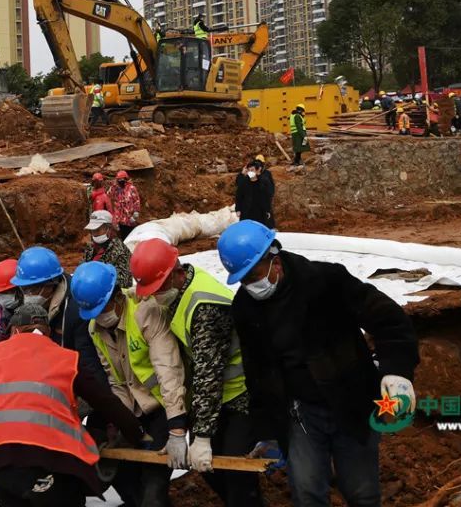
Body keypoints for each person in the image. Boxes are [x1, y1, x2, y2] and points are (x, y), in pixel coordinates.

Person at [219, 220, 420, 507]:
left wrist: (397, 372)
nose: (251, 285)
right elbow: (258, 372)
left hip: (352, 401)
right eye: (243, 279)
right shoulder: (245, 309)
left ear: (274, 259)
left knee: (361, 492)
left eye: (254, 275)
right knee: (307, 492)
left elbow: (389, 320)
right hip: (301, 413)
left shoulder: (325, 281)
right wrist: (266, 431)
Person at [0, 303, 145, 507]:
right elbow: (105, 402)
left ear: (14, 330)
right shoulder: (67, 359)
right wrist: (136, 432)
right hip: (54, 462)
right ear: (48, 332)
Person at [131, 238, 261, 506]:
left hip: (241, 396)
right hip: (218, 399)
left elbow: (208, 376)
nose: (156, 295)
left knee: (235, 471)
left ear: (177, 273)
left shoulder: (204, 307)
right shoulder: (181, 292)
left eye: (160, 287)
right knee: (212, 469)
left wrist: (201, 435)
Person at [71, 261, 187, 507]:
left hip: (163, 409)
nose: (101, 318)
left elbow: (169, 372)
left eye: (103, 309)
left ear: (116, 296)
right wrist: (119, 420)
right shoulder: (96, 328)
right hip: (134, 411)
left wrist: (177, 429)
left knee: (153, 488)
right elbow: (116, 380)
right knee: (125, 479)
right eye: (94, 313)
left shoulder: (146, 312)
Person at [10, 246, 104, 382]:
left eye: (33, 289)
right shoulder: (23, 305)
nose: (27, 294)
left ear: (51, 284)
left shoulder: (75, 309)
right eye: (24, 288)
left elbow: (86, 361)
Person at [81, 210, 132, 289]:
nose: (94, 234)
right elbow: (82, 267)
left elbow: (125, 281)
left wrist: (100, 280)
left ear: (109, 228)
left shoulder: (119, 250)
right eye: (92, 230)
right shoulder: (90, 247)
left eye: (98, 230)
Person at [234, 155, 275, 228]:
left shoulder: (263, 182)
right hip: (246, 212)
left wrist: (267, 210)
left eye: (252, 170)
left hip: (259, 212)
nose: (250, 172)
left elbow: (267, 197)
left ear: (257, 170)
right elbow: (239, 196)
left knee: (260, 228)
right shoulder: (244, 182)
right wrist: (238, 209)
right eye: (249, 170)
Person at [108, 170, 140, 240]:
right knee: (122, 238)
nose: (121, 181)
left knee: (131, 237)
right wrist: (113, 186)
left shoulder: (131, 188)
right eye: (119, 180)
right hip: (120, 220)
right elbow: (109, 195)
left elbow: (136, 200)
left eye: (122, 180)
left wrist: (136, 212)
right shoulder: (115, 189)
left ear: (126, 179)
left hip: (130, 219)